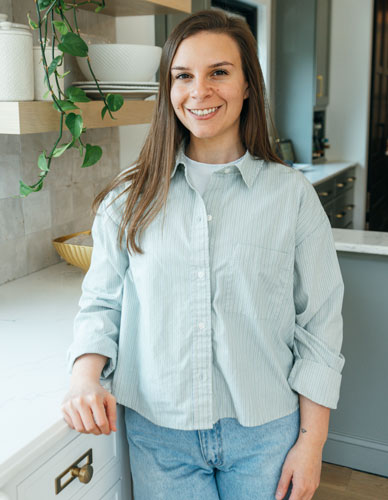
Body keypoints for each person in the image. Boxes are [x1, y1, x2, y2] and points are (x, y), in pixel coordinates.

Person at [62, 9, 345, 500]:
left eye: (219, 72)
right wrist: (84, 375)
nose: (200, 91)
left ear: (248, 84)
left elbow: (320, 326)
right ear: (167, 89)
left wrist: (312, 442)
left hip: (265, 434)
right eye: (183, 76)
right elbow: (102, 304)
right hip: (159, 435)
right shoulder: (128, 199)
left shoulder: (291, 196)